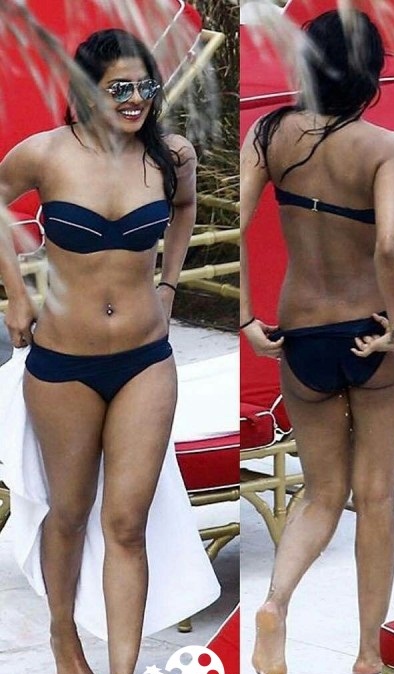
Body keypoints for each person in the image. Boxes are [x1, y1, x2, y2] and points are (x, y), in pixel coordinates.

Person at [0, 28, 207, 674]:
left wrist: (168, 284)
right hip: (63, 365)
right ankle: (63, 638)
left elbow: (185, 207)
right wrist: (15, 295)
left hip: (146, 360)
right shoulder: (45, 154)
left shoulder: (169, 155)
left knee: (125, 523)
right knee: (68, 513)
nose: (135, 99)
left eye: (145, 86)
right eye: (119, 88)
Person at [240, 10, 394, 674]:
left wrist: (245, 316)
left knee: (320, 494)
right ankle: (369, 655)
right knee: (375, 499)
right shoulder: (387, 148)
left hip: (302, 335)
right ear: (371, 73)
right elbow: (388, 247)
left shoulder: (269, 134)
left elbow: (235, 223)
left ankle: (274, 602)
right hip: (371, 331)